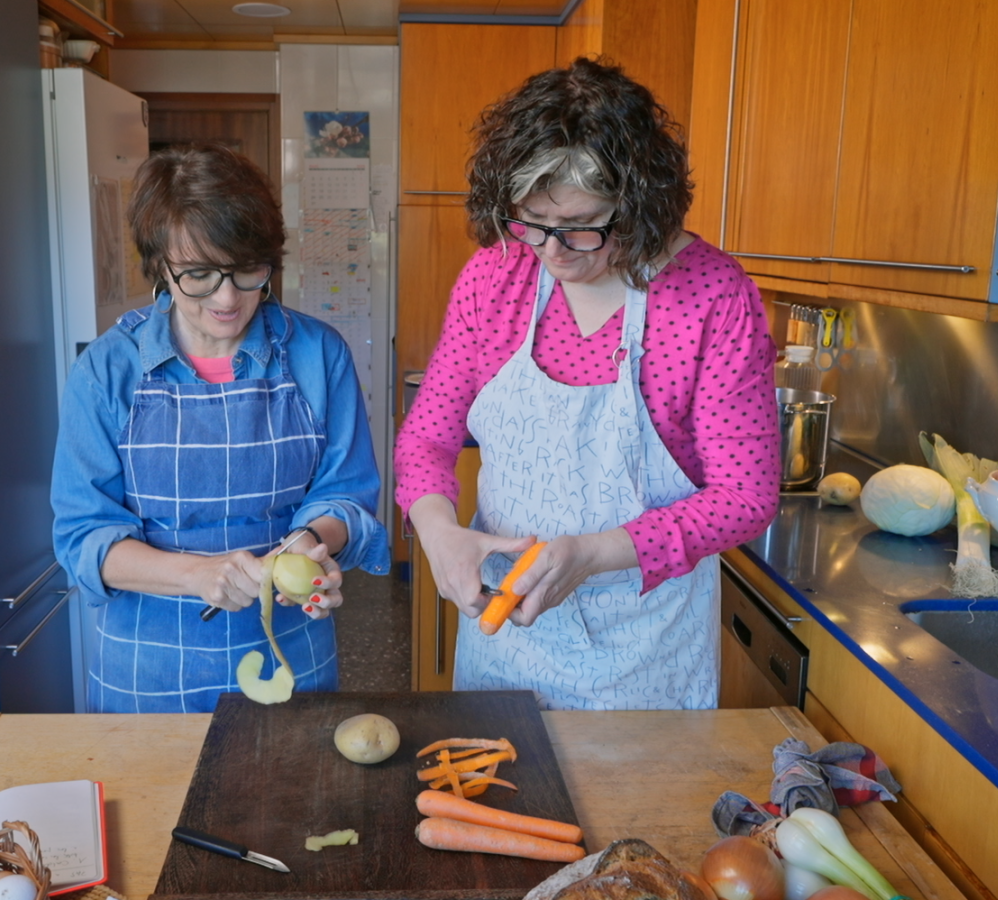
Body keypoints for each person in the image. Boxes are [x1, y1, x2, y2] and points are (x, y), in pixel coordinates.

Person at [395, 58, 781, 711]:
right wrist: (439, 533)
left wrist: (595, 554)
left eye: (579, 226)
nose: (551, 251)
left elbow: (745, 496)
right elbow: (426, 442)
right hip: (505, 644)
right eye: (530, 222)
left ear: (640, 205)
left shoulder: (711, 295)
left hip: (645, 659)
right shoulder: (495, 279)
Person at [52, 143, 389, 713]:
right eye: (200, 275)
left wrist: (312, 544)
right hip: (147, 679)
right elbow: (84, 540)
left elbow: (346, 497)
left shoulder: (316, 355)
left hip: (292, 665)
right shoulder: (108, 371)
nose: (229, 298)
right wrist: (197, 575)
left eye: (247, 270)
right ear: (160, 265)